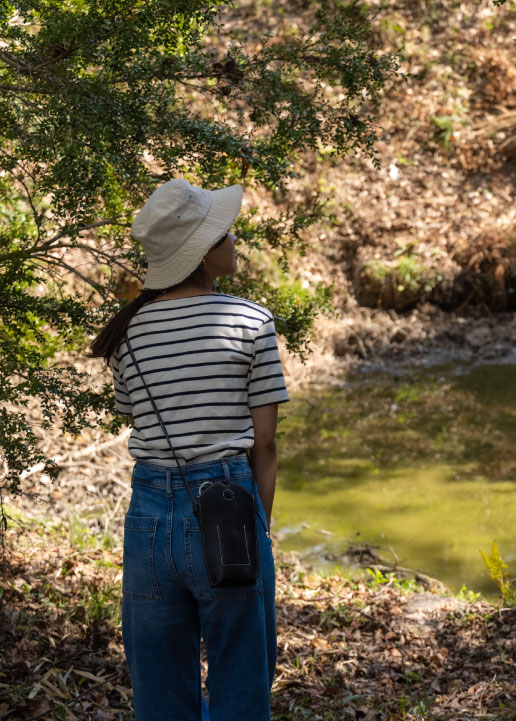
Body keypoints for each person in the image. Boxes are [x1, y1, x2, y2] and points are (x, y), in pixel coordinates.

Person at [87, 177, 290, 720]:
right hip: (229, 510)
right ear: (201, 252)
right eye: (223, 231)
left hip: (148, 520)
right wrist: (259, 529)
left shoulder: (128, 333)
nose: (233, 237)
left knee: (161, 696)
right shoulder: (250, 321)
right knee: (241, 688)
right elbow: (265, 444)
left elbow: (140, 416)